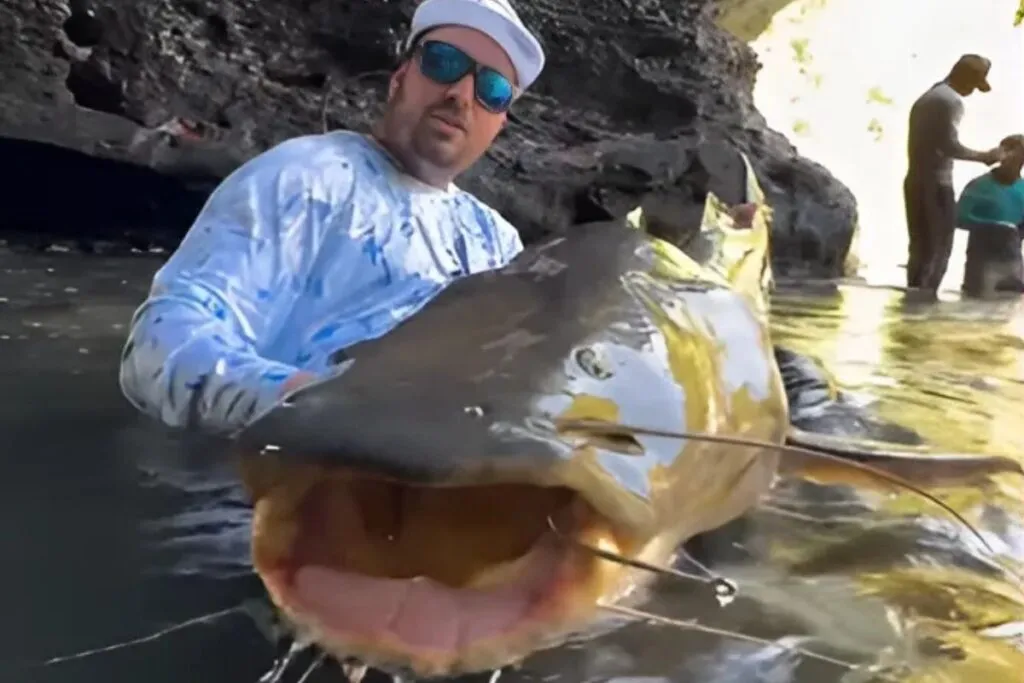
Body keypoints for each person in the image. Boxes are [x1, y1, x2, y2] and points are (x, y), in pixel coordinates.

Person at [118, 0, 546, 435]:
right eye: (443, 63)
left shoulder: (499, 244)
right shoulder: (306, 178)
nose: (460, 95)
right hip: (273, 482)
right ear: (399, 79)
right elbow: (162, 344)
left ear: (500, 124)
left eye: (491, 90)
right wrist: (318, 406)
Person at [903, 53, 1003, 293]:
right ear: (965, 77)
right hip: (936, 184)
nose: (973, 91)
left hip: (914, 181)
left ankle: (911, 306)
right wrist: (985, 156)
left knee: (919, 249)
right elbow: (947, 145)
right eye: (975, 85)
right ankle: (924, 309)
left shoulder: (930, 96)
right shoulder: (950, 101)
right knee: (938, 251)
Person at [955, 134, 1024, 297]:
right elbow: (958, 218)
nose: (1012, 159)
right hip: (982, 265)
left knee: (1008, 315)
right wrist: (993, 226)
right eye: (1008, 152)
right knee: (976, 310)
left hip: (1013, 265)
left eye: (1018, 154)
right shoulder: (979, 185)